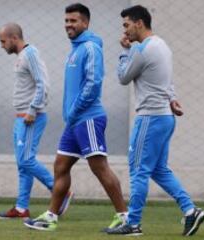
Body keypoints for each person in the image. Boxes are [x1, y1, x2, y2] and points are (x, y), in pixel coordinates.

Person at [24, 3, 128, 231]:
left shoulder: (90, 47)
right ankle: (51, 216)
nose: (68, 25)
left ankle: (124, 218)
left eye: (73, 21)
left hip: (88, 118)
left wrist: (74, 111)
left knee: (100, 167)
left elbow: (93, 84)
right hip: (75, 122)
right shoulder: (75, 49)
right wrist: (71, 116)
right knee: (60, 166)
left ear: (85, 23)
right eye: (66, 21)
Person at [105, 5, 204, 236]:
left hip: (150, 118)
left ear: (139, 23)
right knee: (159, 169)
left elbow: (123, 77)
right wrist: (171, 98)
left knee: (138, 170)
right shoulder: (162, 45)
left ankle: (133, 223)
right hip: (165, 117)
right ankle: (190, 210)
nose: (125, 31)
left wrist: (124, 51)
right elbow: (165, 79)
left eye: (126, 25)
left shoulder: (142, 49)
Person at [0, 23, 73, 219]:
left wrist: (32, 110)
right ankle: (22, 208)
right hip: (20, 117)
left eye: (3, 41)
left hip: (31, 117)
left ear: (14, 38)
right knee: (22, 164)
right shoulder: (21, 57)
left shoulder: (30, 54)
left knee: (26, 159)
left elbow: (43, 83)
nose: (2, 46)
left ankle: (60, 190)